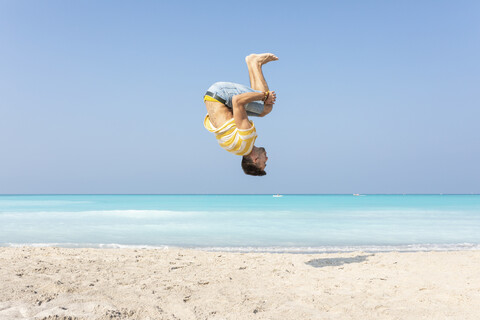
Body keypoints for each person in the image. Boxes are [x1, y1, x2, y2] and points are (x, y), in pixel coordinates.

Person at [203, 53, 278, 176]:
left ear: (255, 160)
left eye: (265, 164)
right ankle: (254, 63)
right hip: (214, 99)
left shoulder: (246, 141)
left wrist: (265, 96)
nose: (267, 159)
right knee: (262, 111)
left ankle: (254, 62)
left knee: (266, 105)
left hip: (220, 94)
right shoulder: (237, 150)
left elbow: (237, 101)